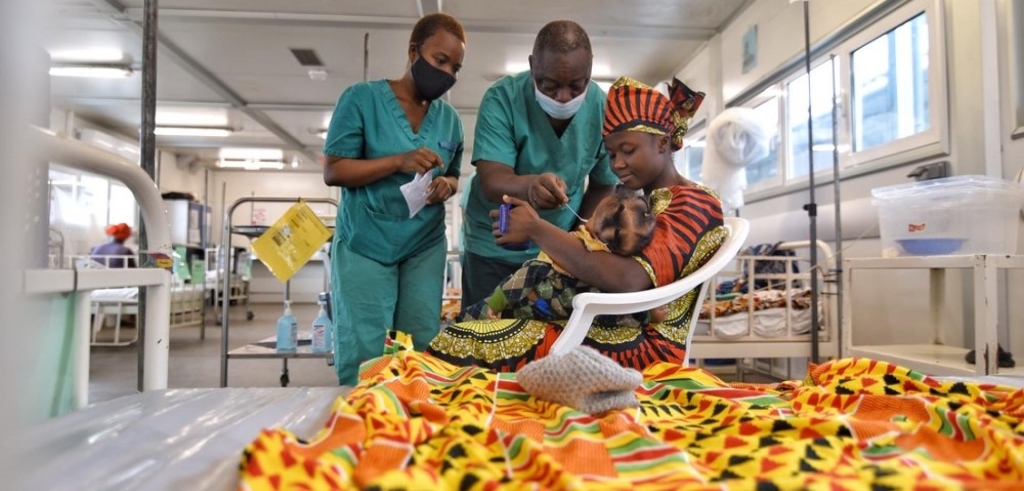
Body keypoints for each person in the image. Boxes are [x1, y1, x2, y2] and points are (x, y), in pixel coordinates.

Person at [428, 76, 724, 372]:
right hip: (610, 325)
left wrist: (537, 228)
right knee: (479, 321)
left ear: (662, 143)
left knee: (462, 338)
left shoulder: (694, 202)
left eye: (628, 150)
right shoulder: (643, 201)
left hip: (645, 343)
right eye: (611, 154)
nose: (617, 164)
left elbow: (628, 280)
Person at [322, 13, 466, 385]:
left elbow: (453, 172)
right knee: (367, 349)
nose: (447, 72)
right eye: (440, 61)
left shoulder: (450, 120)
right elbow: (334, 171)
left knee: (420, 344)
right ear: (413, 51)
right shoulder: (362, 99)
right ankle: (361, 428)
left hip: (423, 243)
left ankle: (413, 430)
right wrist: (397, 162)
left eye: (455, 67)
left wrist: (448, 185)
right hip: (367, 241)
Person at [460, 20, 619, 310]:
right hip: (493, 246)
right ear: (533, 65)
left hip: (555, 250)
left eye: (576, 86)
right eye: (549, 85)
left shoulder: (602, 108)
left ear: (591, 68)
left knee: (548, 342)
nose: (562, 97)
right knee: (484, 334)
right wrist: (530, 187)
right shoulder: (503, 98)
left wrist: (575, 241)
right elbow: (493, 179)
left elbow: (603, 183)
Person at [463, 187, 657, 321]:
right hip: (553, 310)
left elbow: (524, 278)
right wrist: (648, 314)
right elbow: (622, 314)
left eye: (592, 217)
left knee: (469, 320)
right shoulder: (612, 282)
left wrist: (496, 304)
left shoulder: (573, 253)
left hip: (528, 305)